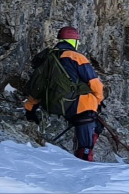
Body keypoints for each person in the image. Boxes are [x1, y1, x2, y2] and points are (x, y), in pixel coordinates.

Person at [24, 26, 105, 161]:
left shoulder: (48, 57)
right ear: (73, 41)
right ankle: (84, 158)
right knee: (91, 127)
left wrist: (30, 108)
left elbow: (38, 85)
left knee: (94, 124)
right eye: (77, 40)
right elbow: (94, 82)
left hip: (55, 104)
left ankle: (82, 153)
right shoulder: (76, 56)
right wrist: (99, 100)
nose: (78, 43)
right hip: (80, 106)